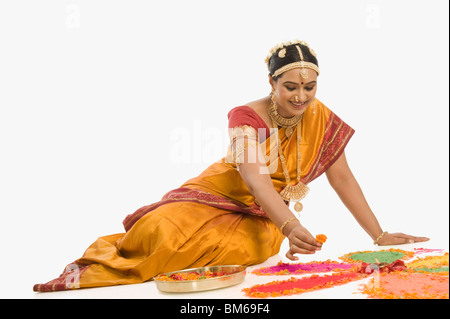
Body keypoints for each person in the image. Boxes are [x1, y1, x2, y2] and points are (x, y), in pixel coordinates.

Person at [33, 40, 429, 292]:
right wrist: (291, 226)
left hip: (262, 216)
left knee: (252, 247)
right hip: (218, 195)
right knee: (158, 233)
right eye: (290, 87)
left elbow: (342, 176)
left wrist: (378, 234)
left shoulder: (320, 115)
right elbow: (255, 179)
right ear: (272, 84)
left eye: (309, 88)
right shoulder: (246, 116)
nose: (301, 97)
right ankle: (104, 264)